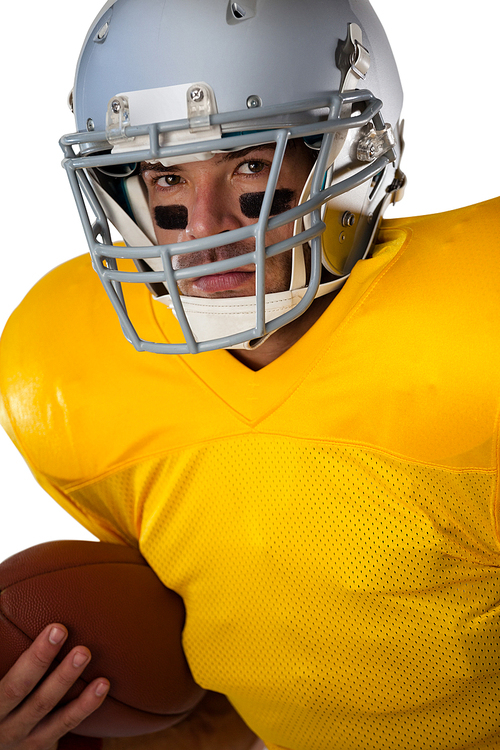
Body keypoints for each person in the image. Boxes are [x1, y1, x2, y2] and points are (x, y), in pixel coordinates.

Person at [0, 1, 499, 749]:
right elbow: (239, 672)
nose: (202, 230)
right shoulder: (64, 367)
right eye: (165, 175)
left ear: (351, 156)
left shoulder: (477, 312)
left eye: (250, 165)